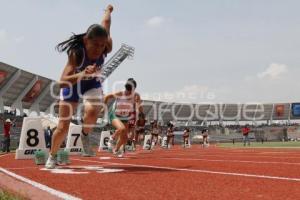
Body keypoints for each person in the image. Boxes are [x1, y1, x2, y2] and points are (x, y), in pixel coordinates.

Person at [45, 4, 114, 169]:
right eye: (95, 44)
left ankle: (85, 135)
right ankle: (52, 155)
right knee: (63, 127)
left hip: (92, 83)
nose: (99, 49)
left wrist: (108, 11)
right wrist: (82, 73)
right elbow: (62, 82)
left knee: (92, 111)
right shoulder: (77, 53)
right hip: (73, 84)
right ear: (85, 40)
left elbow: (106, 23)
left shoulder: (106, 45)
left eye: (102, 45)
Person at [104, 78, 143, 157]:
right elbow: (107, 96)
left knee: (124, 138)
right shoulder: (120, 93)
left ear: (134, 89)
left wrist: (138, 104)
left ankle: (116, 149)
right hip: (115, 115)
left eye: (131, 90)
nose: (129, 92)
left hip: (125, 117)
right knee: (122, 129)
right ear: (125, 88)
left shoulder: (136, 95)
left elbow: (139, 107)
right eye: (127, 90)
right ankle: (111, 139)